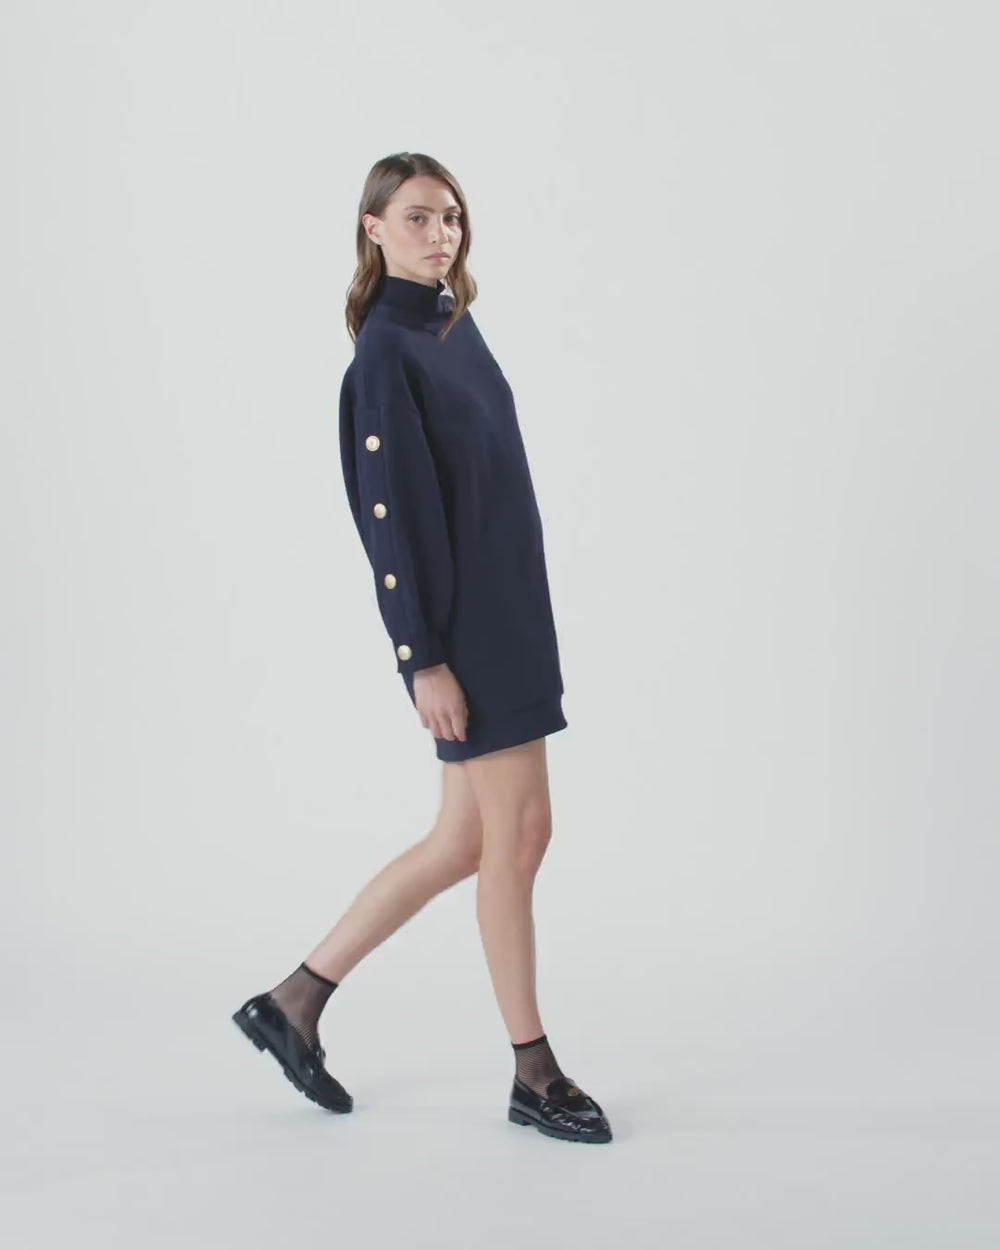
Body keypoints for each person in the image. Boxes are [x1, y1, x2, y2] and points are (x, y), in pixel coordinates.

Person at [232, 152, 611, 1144]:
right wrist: (423, 660)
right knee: (518, 839)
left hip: (511, 617)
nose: (440, 234)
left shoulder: (450, 322)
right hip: (467, 635)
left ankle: (293, 1000)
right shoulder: (384, 354)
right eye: (416, 217)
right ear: (372, 228)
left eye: (450, 216)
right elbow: (390, 523)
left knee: (465, 842)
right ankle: (534, 1070)